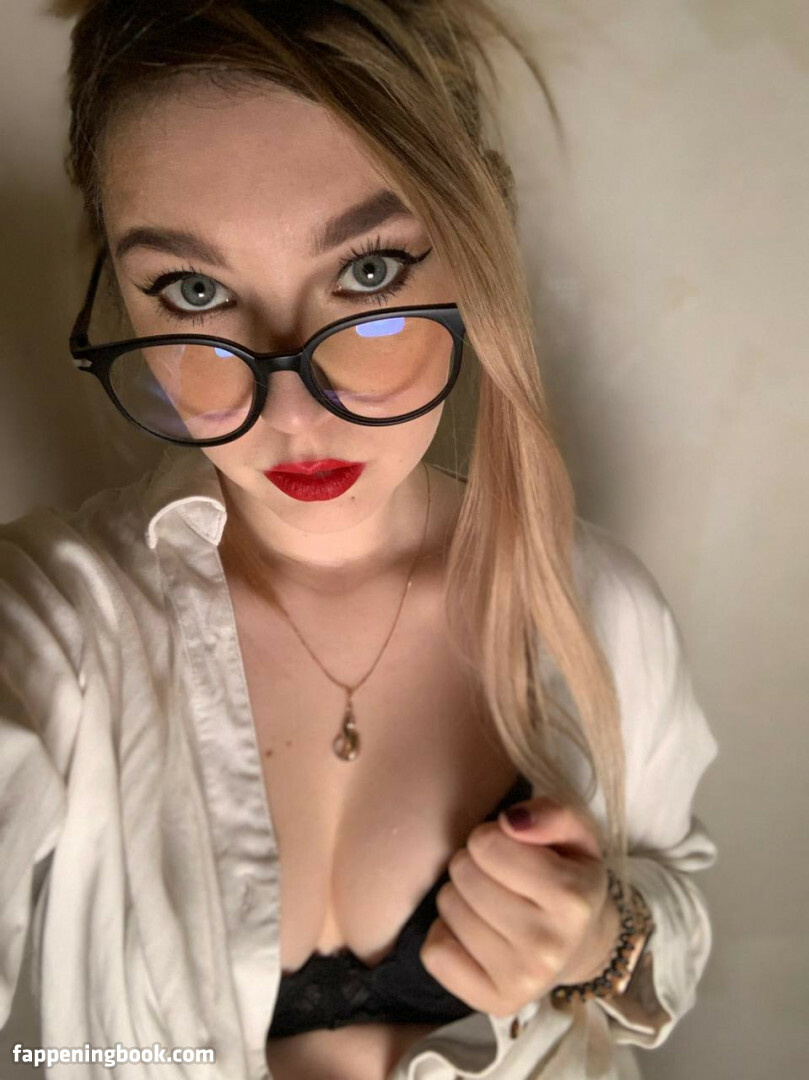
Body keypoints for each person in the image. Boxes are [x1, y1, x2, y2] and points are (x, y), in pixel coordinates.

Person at [0, 1, 719, 1078]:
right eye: (195, 292)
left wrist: (598, 939)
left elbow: (672, 901)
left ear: (473, 245)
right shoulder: (53, 624)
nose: (294, 413)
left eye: (369, 272)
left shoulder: (598, 612)